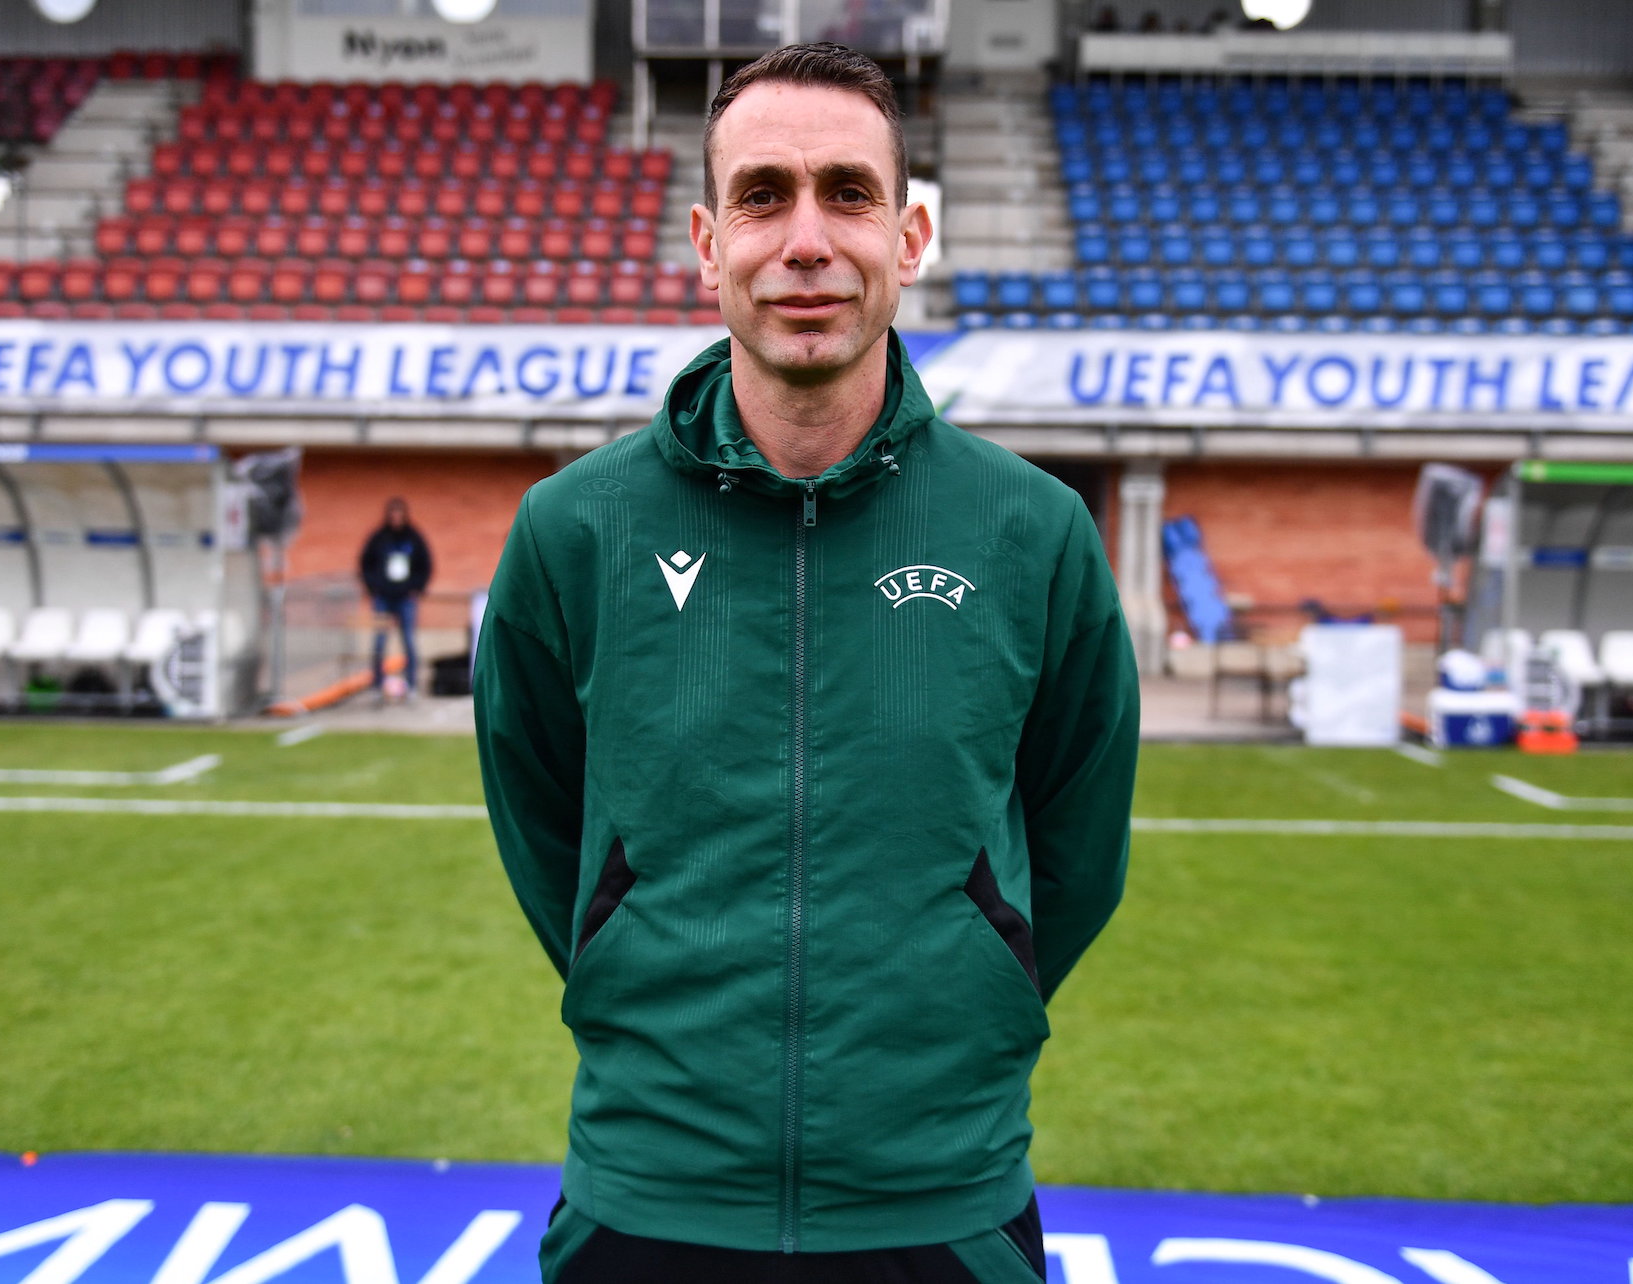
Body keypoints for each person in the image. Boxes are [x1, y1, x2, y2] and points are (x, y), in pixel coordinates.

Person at [474, 42, 1140, 1284]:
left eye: (847, 192)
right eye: (763, 195)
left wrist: (972, 966)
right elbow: (541, 820)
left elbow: (1077, 852)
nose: (806, 240)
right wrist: (633, 940)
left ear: (911, 234)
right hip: (651, 1191)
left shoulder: (1033, 533)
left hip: (938, 1193)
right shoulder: (573, 530)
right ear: (706, 240)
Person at [358, 497, 431, 696]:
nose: (396, 518)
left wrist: (417, 587)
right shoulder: (379, 537)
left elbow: (425, 565)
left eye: (400, 514)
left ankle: (411, 684)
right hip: (383, 597)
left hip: (405, 598)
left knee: (408, 640)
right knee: (379, 641)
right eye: (393, 514)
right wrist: (373, 587)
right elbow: (365, 563)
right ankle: (377, 684)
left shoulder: (414, 537)